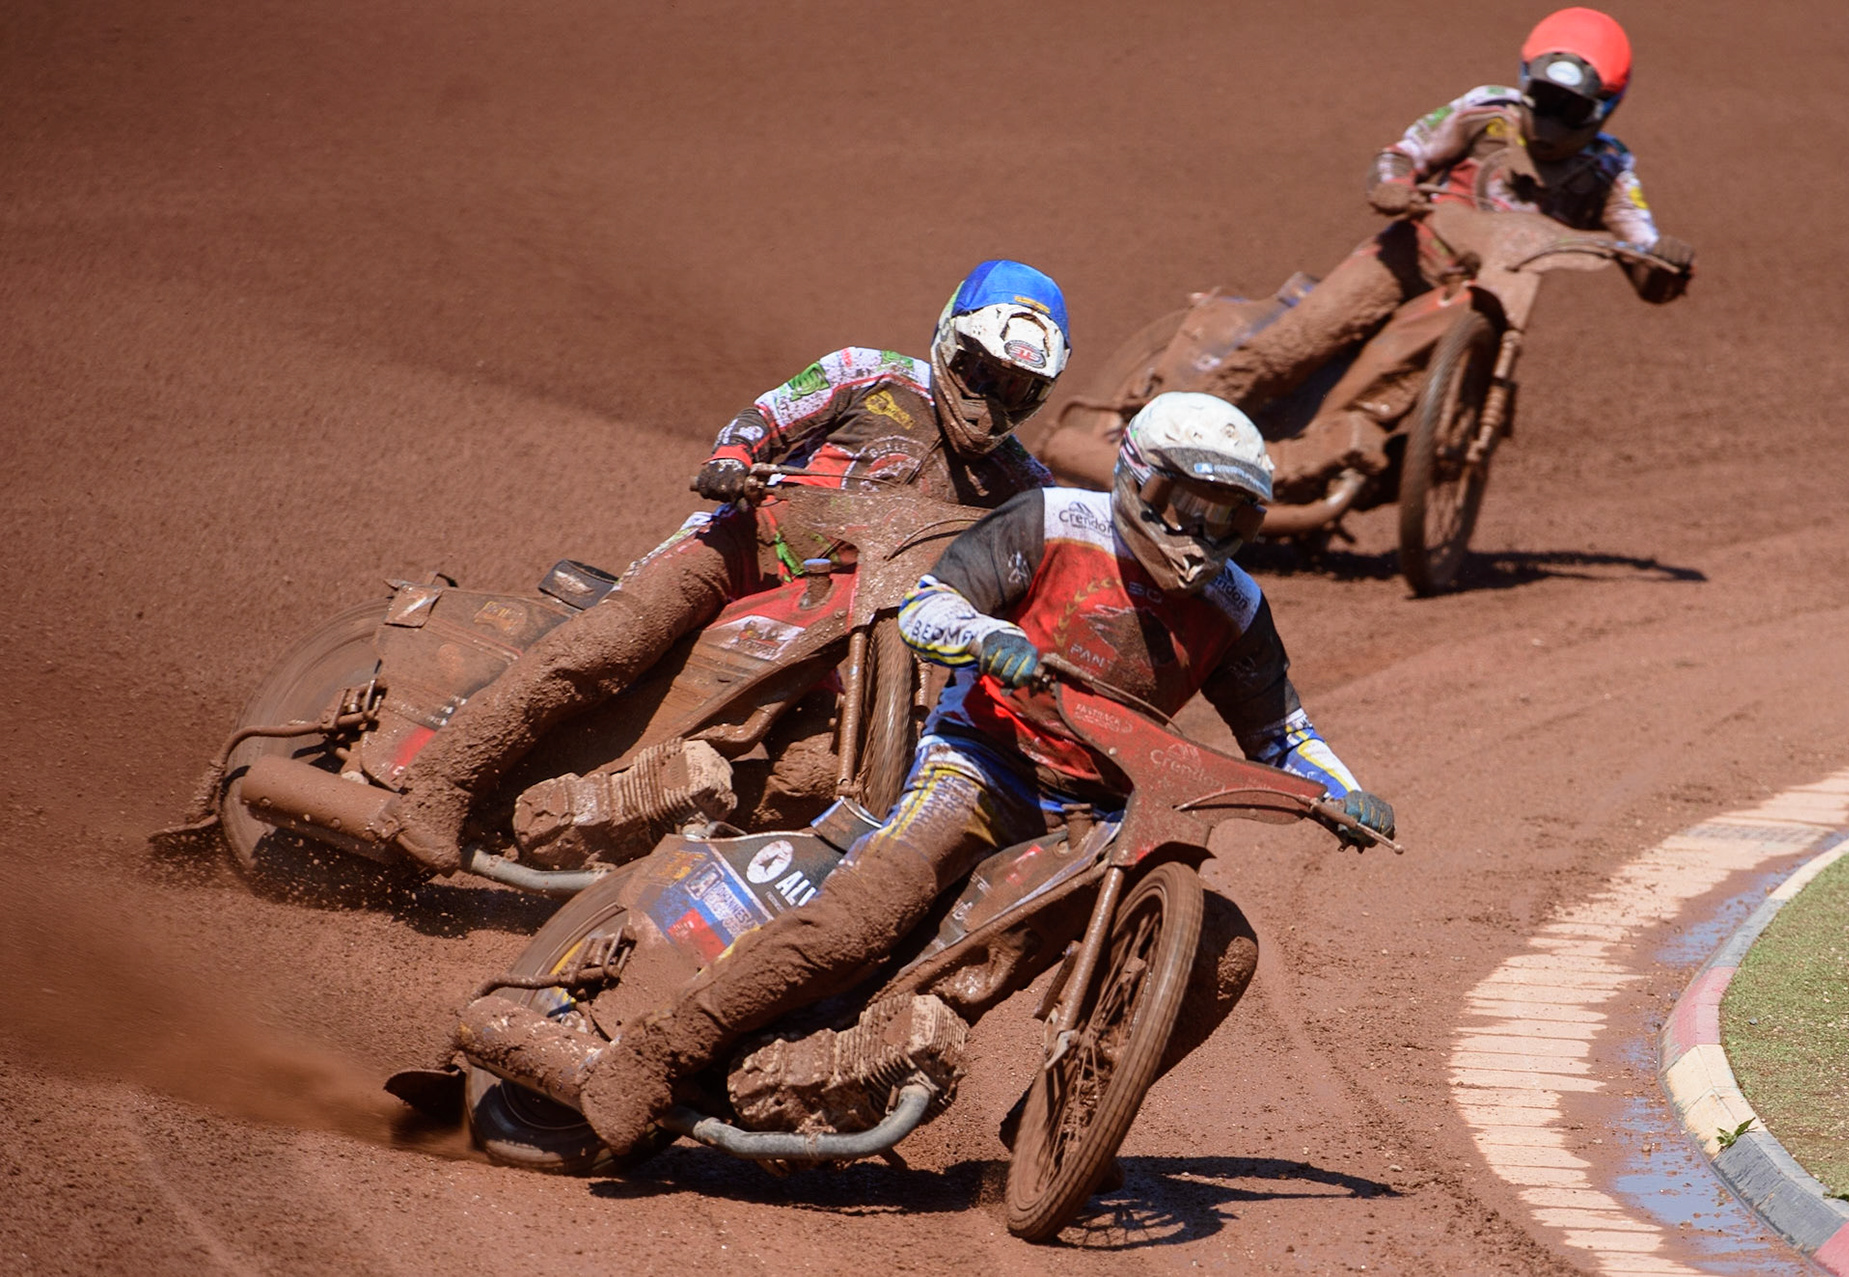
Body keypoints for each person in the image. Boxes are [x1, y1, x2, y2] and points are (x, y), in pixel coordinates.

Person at [580, 391, 1395, 1153]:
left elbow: (1283, 734)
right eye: (1192, 508)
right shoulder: (1052, 519)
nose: (1205, 536)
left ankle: (1063, 1126)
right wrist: (983, 635)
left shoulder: (1236, 604)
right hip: (980, 760)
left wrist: (1343, 791)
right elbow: (933, 602)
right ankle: (657, 1051)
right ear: (1143, 482)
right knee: (860, 921)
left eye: (1230, 518)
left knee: (1224, 947)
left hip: (1104, 813)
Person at [390, 260, 1071, 872]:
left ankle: (666, 858)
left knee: (817, 770)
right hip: (746, 548)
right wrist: (734, 459)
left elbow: (1065, 560)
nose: (989, 401)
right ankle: (442, 785)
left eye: (1016, 387)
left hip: (849, 629)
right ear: (949, 343)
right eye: (982, 373)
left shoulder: (1023, 486)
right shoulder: (870, 373)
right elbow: (769, 414)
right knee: (607, 646)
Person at [1174, 6, 1695, 499]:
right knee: (1292, 347)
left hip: (1489, 299)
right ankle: (1169, 435)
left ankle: (1331, 473)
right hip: (1406, 258)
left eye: (1572, 108)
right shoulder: (1488, 110)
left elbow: (1641, 249)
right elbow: (1405, 152)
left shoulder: (1609, 169)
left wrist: (1665, 262)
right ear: (1525, 82)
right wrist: (1393, 185)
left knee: (1428, 429)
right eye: (1545, 98)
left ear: (1603, 109)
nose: (1553, 120)